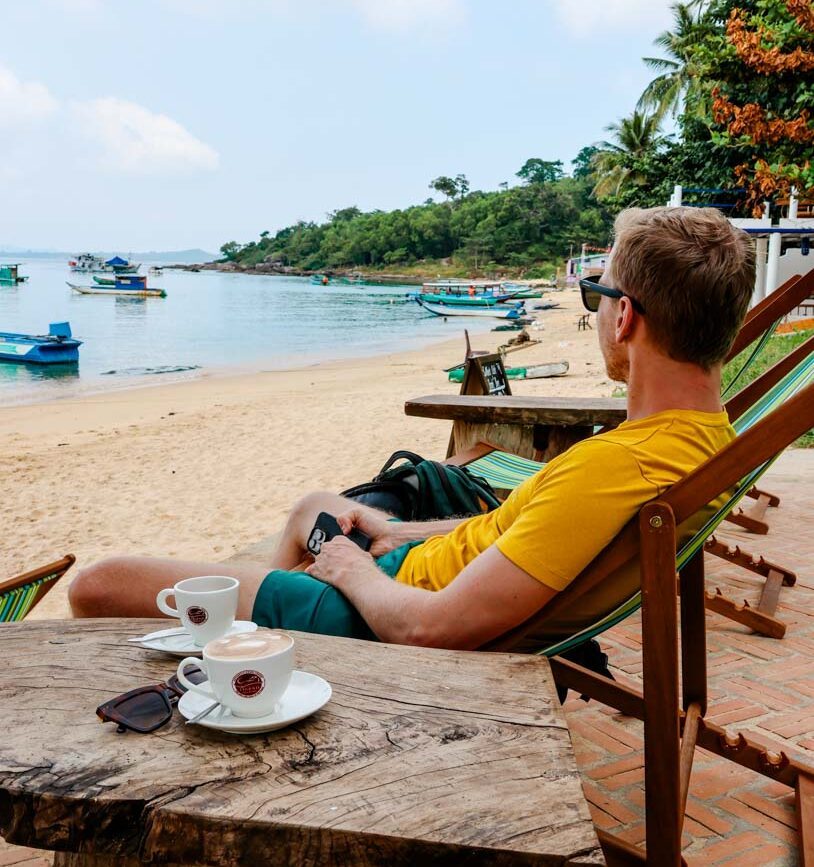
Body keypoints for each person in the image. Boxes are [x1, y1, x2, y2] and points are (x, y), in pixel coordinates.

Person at [69, 207, 755, 651]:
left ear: (625, 317)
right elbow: (515, 530)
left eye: (593, 294)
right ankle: (261, 638)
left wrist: (355, 569)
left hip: (386, 611)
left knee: (97, 584)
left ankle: (280, 634)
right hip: (404, 569)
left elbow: (433, 626)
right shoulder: (702, 443)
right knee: (316, 506)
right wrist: (397, 533)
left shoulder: (611, 468)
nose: (596, 310)